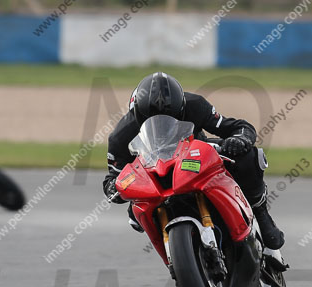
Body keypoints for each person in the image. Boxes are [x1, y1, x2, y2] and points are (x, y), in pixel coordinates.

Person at [102, 72, 284, 250]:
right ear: (138, 115)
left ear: (181, 109)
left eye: (168, 118)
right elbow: (113, 178)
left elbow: (238, 127)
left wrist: (239, 140)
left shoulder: (195, 105)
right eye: (152, 119)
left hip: (195, 158)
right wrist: (114, 188)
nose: (160, 125)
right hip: (154, 174)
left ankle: (261, 213)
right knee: (135, 216)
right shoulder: (121, 136)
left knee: (248, 156)